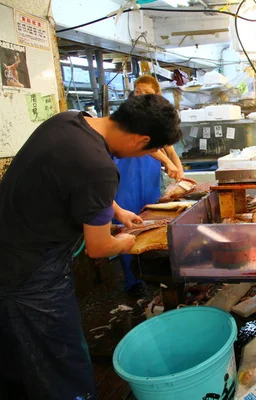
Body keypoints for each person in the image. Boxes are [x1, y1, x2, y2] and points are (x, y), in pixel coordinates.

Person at [0, 94, 181, 400]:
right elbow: (98, 248)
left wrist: (117, 210)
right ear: (141, 140)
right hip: (31, 272)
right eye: (148, 151)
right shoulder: (100, 166)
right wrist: (125, 242)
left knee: (20, 355)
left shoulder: (69, 121)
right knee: (61, 362)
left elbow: (76, 178)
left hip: (11, 249)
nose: (142, 157)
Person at [114, 75, 185, 293]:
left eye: (146, 93)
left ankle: (153, 271)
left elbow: (168, 147)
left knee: (152, 222)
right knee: (128, 223)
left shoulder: (156, 118)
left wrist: (180, 171)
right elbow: (150, 147)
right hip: (127, 174)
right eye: (138, 92)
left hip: (148, 178)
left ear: (157, 95)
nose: (141, 96)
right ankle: (133, 281)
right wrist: (167, 164)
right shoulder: (129, 117)